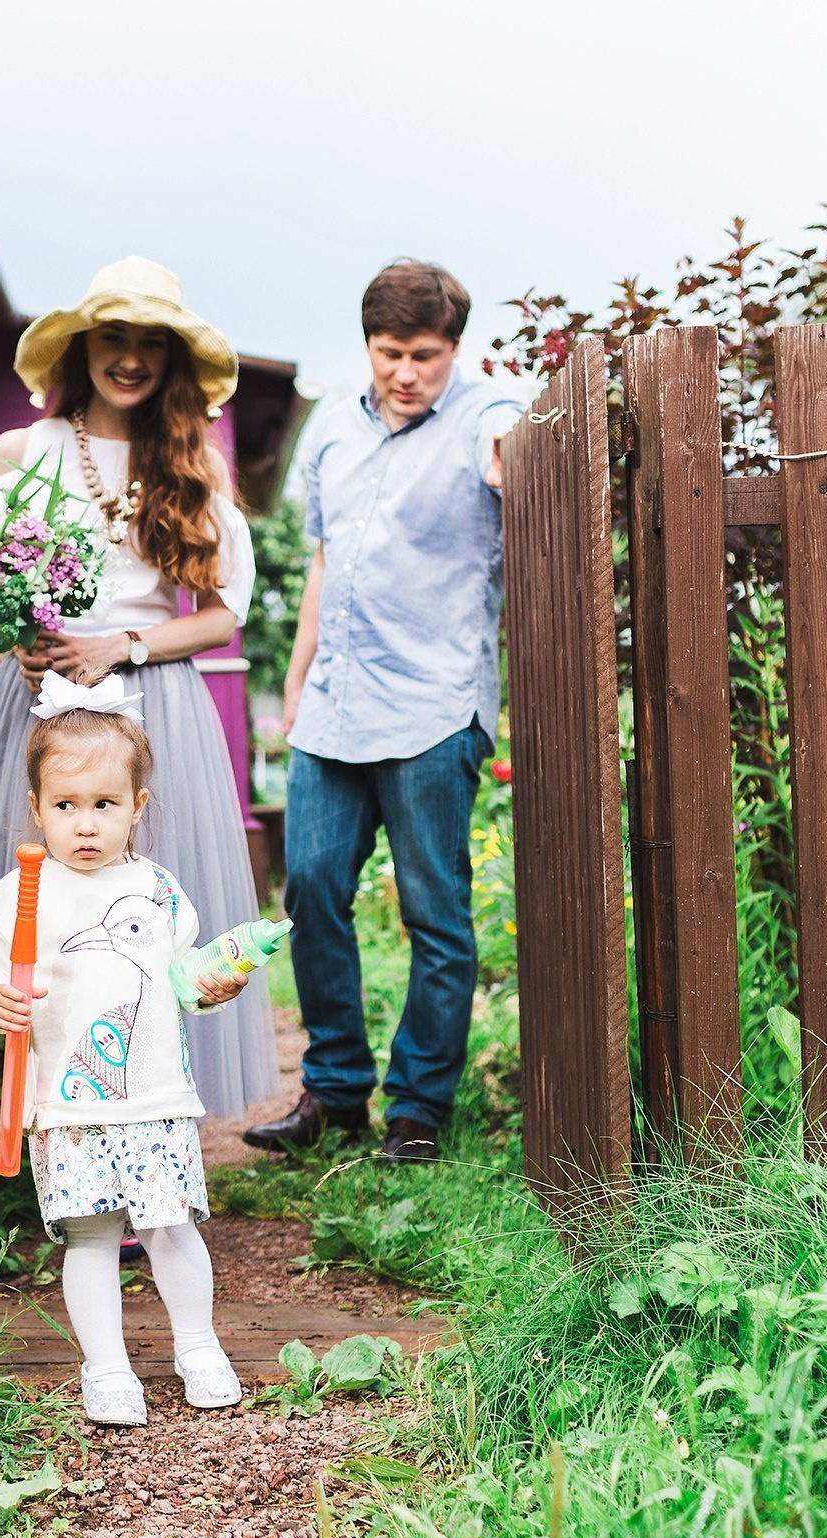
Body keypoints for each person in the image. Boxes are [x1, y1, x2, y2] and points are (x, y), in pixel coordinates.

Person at [0, 256, 276, 1123]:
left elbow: (219, 617)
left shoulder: (193, 465)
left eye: (150, 344)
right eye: (113, 338)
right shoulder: (27, 452)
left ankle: (157, 1116)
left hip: (155, 699)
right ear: (82, 345)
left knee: (148, 907)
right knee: (47, 904)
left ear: (172, 361)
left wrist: (120, 645)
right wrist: (18, 633)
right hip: (45, 700)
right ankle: (54, 1117)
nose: (129, 358)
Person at [244, 261, 520, 1165]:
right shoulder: (333, 428)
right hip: (335, 702)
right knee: (314, 888)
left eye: (426, 355)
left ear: (454, 350)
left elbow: (512, 454)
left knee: (431, 906)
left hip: (435, 703)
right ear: (368, 344)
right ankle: (334, 1092)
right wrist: (296, 677)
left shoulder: (485, 415)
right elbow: (325, 560)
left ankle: (417, 1110)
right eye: (391, 352)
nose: (406, 373)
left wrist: (507, 458)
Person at [0, 679, 250, 1425]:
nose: (85, 824)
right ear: (36, 808)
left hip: (154, 1093)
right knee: (90, 1236)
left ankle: (198, 1345)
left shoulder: (159, 890)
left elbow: (183, 977)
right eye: (65, 806)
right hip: (66, 1100)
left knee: (169, 1225)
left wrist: (209, 985)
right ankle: (108, 1366)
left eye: (105, 804)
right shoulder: (22, 894)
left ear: (137, 806)